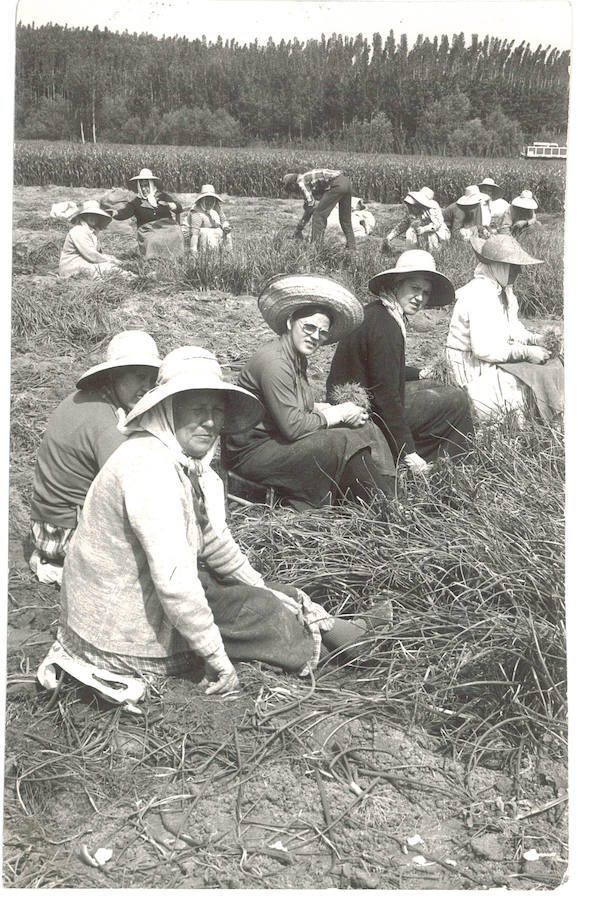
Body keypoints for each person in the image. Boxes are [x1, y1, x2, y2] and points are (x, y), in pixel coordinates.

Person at [53, 347, 386, 695]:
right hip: (119, 636)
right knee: (260, 613)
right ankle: (342, 651)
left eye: (215, 411)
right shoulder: (149, 469)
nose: (209, 422)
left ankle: (344, 633)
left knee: (266, 594)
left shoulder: (186, 465)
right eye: (196, 410)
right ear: (168, 410)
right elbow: (175, 583)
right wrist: (216, 657)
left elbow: (213, 541)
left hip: (135, 598)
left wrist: (260, 584)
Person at [225, 274, 397, 509]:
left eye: (322, 332)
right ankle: (382, 507)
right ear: (289, 323)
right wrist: (337, 414)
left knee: (366, 427)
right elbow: (293, 427)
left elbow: (293, 404)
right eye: (309, 327)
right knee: (342, 439)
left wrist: (327, 408)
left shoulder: (296, 358)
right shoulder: (275, 362)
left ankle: (392, 494)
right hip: (252, 454)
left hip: (275, 439)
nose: (315, 336)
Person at [29, 331, 161, 584]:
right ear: (114, 376)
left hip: (49, 522)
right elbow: (133, 486)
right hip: (63, 532)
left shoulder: (89, 400)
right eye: (139, 377)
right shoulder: (104, 421)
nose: (147, 386)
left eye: (152, 378)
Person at [327, 250, 474, 475]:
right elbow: (385, 395)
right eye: (414, 288)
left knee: (438, 388)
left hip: (359, 400)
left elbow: (380, 368)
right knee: (457, 400)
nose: (420, 297)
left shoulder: (379, 312)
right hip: (363, 414)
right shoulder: (386, 327)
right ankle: (444, 466)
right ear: (397, 284)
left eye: (425, 292)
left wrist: (420, 374)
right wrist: (408, 451)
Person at [446, 235, 555, 424]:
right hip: (471, 366)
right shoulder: (479, 294)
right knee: (519, 389)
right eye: (514, 266)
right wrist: (525, 352)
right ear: (498, 265)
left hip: (493, 357)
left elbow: (512, 328)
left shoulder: (504, 290)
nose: (519, 271)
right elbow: (483, 349)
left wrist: (536, 339)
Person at [112, 167, 184, 259]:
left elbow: (179, 208)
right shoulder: (136, 201)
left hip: (167, 226)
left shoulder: (162, 196)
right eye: (141, 186)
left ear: (152, 185)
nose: (144, 189)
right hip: (148, 230)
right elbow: (125, 212)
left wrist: (171, 205)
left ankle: (174, 257)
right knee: (152, 239)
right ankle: (153, 260)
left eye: (146, 185)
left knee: (176, 233)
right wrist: (114, 213)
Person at [282, 169, 356, 250]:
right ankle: (352, 248)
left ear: (292, 185)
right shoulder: (309, 181)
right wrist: (299, 228)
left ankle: (316, 248)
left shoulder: (301, 182)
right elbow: (309, 208)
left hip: (336, 184)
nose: (295, 194)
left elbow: (311, 206)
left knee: (318, 216)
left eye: (292, 191)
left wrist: (299, 229)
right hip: (346, 183)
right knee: (345, 219)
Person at [58, 200, 128, 279]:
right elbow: (90, 254)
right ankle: (129, 278)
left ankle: (130, 277)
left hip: (84, 262)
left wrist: (111, 258)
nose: (93, 218)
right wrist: (109, 260)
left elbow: (95, 253)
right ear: (84, 216)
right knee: (108, 268)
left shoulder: (92, 232)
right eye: (89, 215)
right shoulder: (78, 231)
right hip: (71, 266)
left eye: (95, 215)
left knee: (112, 266)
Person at [383, 188, 448, 253]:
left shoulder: (432, 210)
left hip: (439, 234)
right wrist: (389, 237)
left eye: (411, 206)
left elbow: (437, 225)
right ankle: (412, 253)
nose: (410, 208)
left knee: (430, 235)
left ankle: (434, 254)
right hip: (423, 234)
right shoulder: (413, 212)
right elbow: (404, 224)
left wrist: (424, 229)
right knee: (410, 231)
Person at [187, 183, 232, 255]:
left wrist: (225, 226)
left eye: (211, 199)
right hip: (197, 237)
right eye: (206, 199)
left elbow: (223, 220)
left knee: (225, 232)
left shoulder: (216, 207)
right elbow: (194, 234)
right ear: (202, 200)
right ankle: (206, 255)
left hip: (213, 234)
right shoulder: (196, 212)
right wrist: (193, 251)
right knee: (205, 232)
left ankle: (226, 253)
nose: (209, 202)